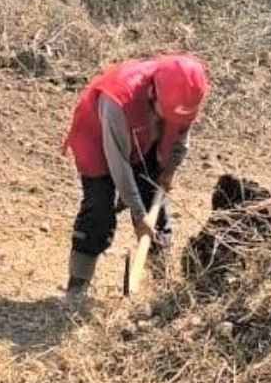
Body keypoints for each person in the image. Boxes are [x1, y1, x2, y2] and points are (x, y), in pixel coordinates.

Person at [61, 53, 209, 299]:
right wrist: (140, 216)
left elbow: (181, 139)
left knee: (155, 203)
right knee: (99, 207)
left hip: (145, 138)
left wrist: (169, 171)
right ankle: (77, 286)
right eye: (167, 114)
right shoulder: (118, 99)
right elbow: (118, 163)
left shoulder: (186, 96)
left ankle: (163, 288)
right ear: (153, 93)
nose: (171, 120)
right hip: (98, 138)